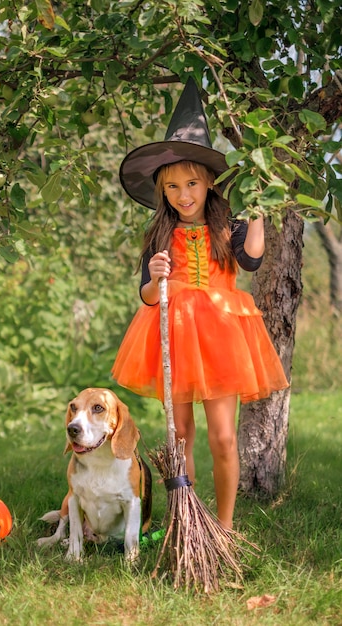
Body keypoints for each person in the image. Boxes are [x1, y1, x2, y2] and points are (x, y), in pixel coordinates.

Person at [112, 78, 289, 530]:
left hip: (222, 337)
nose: (183, 195)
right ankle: (184, 524)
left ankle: (226, 529)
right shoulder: (159, 233)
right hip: (173, 335)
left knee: (224, 437)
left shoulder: (227, 224)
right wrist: (154, 278)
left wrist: (260, 211)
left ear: (209, 182)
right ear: (162, 190)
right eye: (172, 187)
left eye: (191, 183)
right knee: (182, 434)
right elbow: (148, 297)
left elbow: (250, 261)